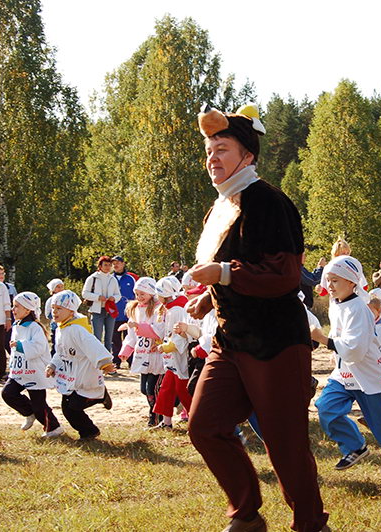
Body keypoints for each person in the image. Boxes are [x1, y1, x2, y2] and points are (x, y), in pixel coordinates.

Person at [186, 104, 328, 532]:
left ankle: (311, 525)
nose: (212, 158)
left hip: (277, 341)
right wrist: (210, 297)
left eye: (222, 149)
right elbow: (232, 265)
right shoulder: (219, 205)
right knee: (205, 427)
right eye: (209, 151)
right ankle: (247, 515)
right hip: (231, 340)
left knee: (285, 442)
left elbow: (284, 275)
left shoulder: (268, 201)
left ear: (247, 155)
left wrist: (222, 275)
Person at [312, 255, 381, 479]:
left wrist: (323, 340)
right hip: (344, 373)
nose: (330, 285)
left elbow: (355, 349)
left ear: (352, 282)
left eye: (335, 281)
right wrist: (333, 350)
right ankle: (355, 446)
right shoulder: (336, 303)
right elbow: (341, 337)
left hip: (368, 374)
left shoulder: (359, 308)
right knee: (326, 408)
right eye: (328, 280)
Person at [45, 290, 114, 440]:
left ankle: (100, 398)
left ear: (71, 311)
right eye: (53, 308)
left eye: (59, 308)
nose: (54, 312)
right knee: (67, 409)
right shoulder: (61, 329)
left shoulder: (77, 329)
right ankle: (89, 431)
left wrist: (105, 363)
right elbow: (60, 351)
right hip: (70, 374)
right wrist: (52, 365)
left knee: (73, 407)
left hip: (84, 374)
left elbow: (93, 345)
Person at [2, 292, 63, 438]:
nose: (13, 309)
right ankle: (29, 413)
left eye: (17, 306)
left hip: (34, 372)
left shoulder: (34, 327)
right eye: (13, 306)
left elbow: (38, 347)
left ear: (27, 310)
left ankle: (54, 428)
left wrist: (21, 345)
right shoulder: (17, 325)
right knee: (8, 393)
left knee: (39, 405)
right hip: (19, 371)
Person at [152, 277, 193, 430]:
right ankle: (166, 422)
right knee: (166, 388)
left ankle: (197, 420)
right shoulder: (171, 308)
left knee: (183, 390)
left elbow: (181, 335)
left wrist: (168, 346)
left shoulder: (177, 310)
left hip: (180, 358)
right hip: (173, 359)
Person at [123, 277, 165, 426]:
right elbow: (132, 335)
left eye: (142, 294)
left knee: (152, 389)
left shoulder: (159, 309)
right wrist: (126, 350)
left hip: (155, 354)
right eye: (137, 294)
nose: (139, 297)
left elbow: (159, 329)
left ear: (151, 293)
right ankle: (161, 410)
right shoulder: (135, 309)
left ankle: (155, 417)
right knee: (144, 389)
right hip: (142, 354)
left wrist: (139, 327)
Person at [82, 256, 121, 353]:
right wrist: (98, 297)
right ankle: (97, 358)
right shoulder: (92, 278)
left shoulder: (113, 279)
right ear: (100, 266)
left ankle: (108, 358)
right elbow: (85, 293)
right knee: (97, 337)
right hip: (97, 311)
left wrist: (114, 298)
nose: (108, 267)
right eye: (105, 265)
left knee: (109, 338)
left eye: (109, 265)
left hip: (110, 310)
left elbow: (118, 295)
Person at [110, 256, 137, 368]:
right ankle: (116, 361)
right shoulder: (110, 278)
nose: (116, 265)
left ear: (123, 264)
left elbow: (136, 295)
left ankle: (131, 361)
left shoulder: (131, 279)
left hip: (128, 315)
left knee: (130, 338)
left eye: (118, 263)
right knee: (115, 339)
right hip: (113, 314)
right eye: (114, 263)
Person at [44, 278, 65, 357]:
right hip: (55, 326)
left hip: (66, 325)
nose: (60, 288)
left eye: (61, 286)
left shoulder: (66, 298)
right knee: (55, 345)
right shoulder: (50, 300)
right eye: (58, 287)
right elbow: (48, 314)